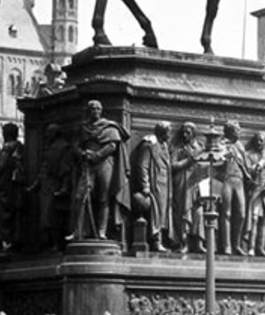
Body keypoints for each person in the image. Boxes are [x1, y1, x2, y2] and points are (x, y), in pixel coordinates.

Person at [68, 100, 131, 246]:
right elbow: (75, 145)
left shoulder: (109, 127)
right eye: (92, 108)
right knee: (80, 196)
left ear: (101, 110)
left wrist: (97, 155)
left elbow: (112, 145)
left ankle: (102, 231)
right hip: (87, 163)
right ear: (88, 111)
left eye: (97, 108)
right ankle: (79, 231)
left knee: (104, 197)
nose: (95, 111)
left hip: (104, 163)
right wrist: (83, 154)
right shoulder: (83, 128)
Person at [130, 122, 173, 252]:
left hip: (165, 184)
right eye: (168, 132)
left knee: (163, 213)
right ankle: (155, 241)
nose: (170, 135)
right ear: (162, 132)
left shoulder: (164, 145)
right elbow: (143, 166)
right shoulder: (149, 144)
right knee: (156, 213)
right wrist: (145, 185)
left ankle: (160, 239)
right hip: (155, 184)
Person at [34, 123, 75, 251]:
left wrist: (64, 186)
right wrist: (36, 183)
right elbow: (44, 167)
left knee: (54, 215)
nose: (46, 135)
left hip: (55, 185)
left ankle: (57, 243)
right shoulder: (50, 147)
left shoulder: (63, 147)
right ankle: (49, 243)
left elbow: (65, 168)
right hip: (47, 186)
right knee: (46, 216)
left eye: (49, 132)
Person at [0, 122, 26, 251]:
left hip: (4, 187)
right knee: (14, 215)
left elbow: (2, 166)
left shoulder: (7, 148)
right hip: (15, 187)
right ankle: (14, 241)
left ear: (6, 135)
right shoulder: (21, 148)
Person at [170, 122, 204, 253]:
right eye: (183, 132)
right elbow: (173, 166)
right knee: (184, 212)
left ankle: (199, 243)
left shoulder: (200, 148)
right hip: (182, 183)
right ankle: (184, 243)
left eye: (188, 132)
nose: (185, 135)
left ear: (194, 133)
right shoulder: (178, 148)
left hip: (196, 182)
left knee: (199, 212)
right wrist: (188, 161)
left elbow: (205, 166)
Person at [218, 120, 250, 255]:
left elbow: (246, 166)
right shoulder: (221, 144)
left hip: (239, 181)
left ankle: (236, 244)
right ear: (230, 131)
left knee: (241, 214)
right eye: (237, 130)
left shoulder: (240, 146)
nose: (240, 132)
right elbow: (215, 160)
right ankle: (226, 245)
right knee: (226, 213)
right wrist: (224, 156)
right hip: (226, 179)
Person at [243, 131, 265, 256]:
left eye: (261, 140)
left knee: (263, 220)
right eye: (257, 139)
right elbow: (247, 171)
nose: (258, 142)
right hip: (254, 191)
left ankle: (261, 248)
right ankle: (251, 247)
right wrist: (257, 167)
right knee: (254, 219)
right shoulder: (249, 155)